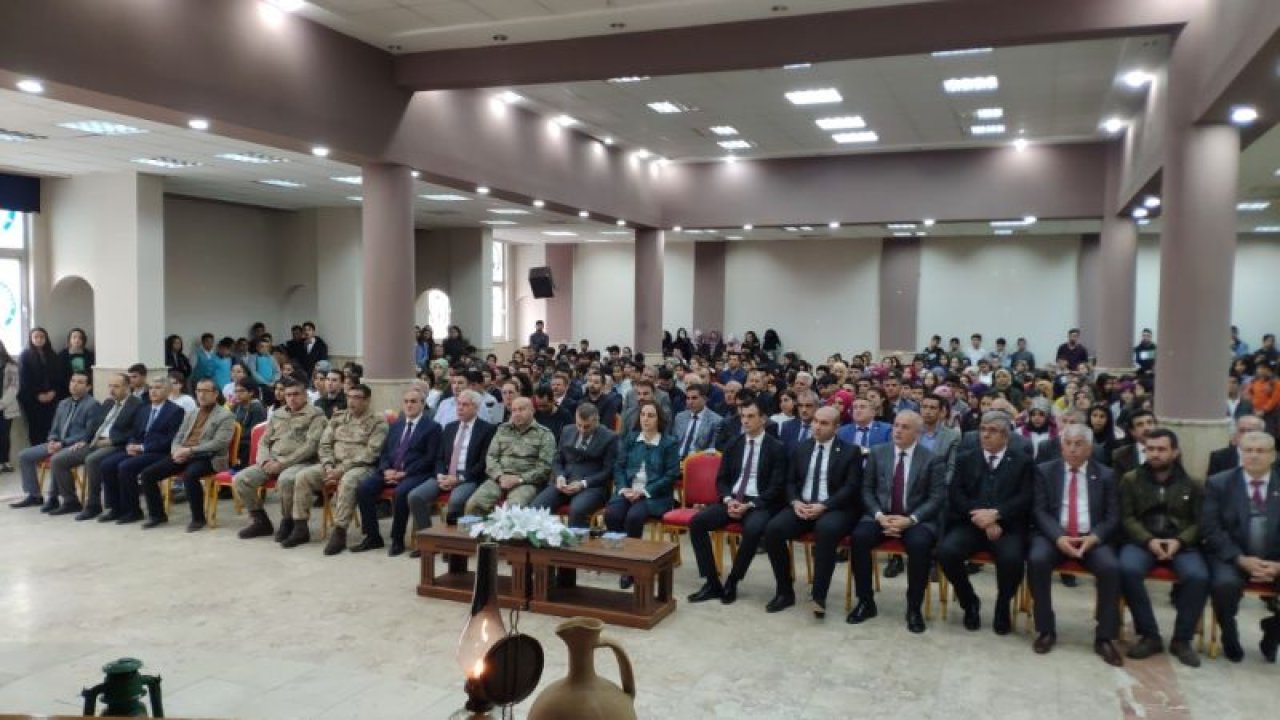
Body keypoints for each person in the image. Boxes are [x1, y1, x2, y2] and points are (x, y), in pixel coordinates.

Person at [1026, 424, 1123, 665]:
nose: (1073, 449)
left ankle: (1104, 637)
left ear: (1090, 448)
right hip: (1054, 536)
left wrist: (1094, 537)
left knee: (1110, 568)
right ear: (1061, 446)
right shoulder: (1045, 471)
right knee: (1037, 561)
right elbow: (1039, 511)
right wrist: (1059, 537)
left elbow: (1113, 517)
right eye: (1068, 443)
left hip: (1092, 538)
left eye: (1079, 444)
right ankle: (1046, 629)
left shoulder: (1106, 475)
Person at [938, 411, 1035, 635]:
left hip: (1007, 526)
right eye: (983, 429)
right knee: (946, 551)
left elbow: (1026, 497)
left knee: (1012, 559)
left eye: (992, 431)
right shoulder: (966, 458)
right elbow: (956, 493)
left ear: (1005, 436)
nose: (985, 435)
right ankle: (969, 601)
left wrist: (997, 515)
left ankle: (1003, 605)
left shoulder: (1022, 462)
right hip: (970, 522)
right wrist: (980, 516)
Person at [1118, 428, 1208, 667]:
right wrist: (1149, 540)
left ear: (1175, 452)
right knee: (1127, 570)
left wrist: (1180, 541)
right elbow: (1127, 518)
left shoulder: (1193, 483)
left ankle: (1182, 639)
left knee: (1198, 576)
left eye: (1161, 449)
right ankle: (1149, 635)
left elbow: (1200, 522)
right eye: (1150, 449)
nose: (1155, 454)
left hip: (1181, 543)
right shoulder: (1130, 479)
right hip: (1142, 542)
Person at [850, 410, 945, 631]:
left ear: (918, 433)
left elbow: (937, 497)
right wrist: (879, 516)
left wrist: (910, 520)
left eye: (905, 427)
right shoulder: (877, 452)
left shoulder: (931, 459)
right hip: (880, 516)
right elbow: (866, 489)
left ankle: (914, 607)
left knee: (920, 545)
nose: (898, 431)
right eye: (896, 426)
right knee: (859, 538)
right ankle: (865, 601)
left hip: (915, 519)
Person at [761, 406, 859, 617]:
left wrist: (824, 505)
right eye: (815, 421)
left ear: (836, 427)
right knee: (773, 530)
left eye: (824, 423)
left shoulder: (850, 451)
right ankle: (785, 591)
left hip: (834, 508)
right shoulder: (801, 448)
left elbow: (850, 487)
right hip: (803, 505)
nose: (817, 426)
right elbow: (790, 481)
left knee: (825, 531)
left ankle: (818, 596)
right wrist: (795, 502)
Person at [687, 398, 786, 606]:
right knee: (697, 522)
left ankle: (733, 580)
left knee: (753, 530)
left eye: (751, 416)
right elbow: (722, 479)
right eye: (743, 416)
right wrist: (728, 499)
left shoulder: (776, 447)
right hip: (732, 498)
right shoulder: (734, 443)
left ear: (763, 419)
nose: (745, 421)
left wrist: (750, 505)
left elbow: (777, 487)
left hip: (759, 503)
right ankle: (712, 582)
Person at [1202, 430, 1280, 663]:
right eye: (1248, 451)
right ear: (1240, 453)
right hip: (1232, 556)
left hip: (1275, 558)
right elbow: (1210, 528)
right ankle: (1229, 631)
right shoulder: (1219, 483)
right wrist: (1240, 559)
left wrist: (1278, 566)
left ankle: (1274, 630)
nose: (1254, 456)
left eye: (1261, 451)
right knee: (1224, 584)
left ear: (1273, 456)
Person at [283, 383, 388, 555]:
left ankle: (339, 532)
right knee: (303, 476)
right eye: (349, 397)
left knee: (348, 481)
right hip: (333, 464)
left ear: (367, 400)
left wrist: (341, 469)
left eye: (357, 398)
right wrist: (328, 465)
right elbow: (324, 444)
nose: (351, 401)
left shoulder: (378, 422)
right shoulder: (338, 417)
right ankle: (300, 527)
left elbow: (372, 453)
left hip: (362, 467)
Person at [232, 377, 327, 540]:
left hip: (302, 462)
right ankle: (260, 520)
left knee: (286, 479)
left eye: (296, 394)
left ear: (305, 395)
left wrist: (282, 464)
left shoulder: (316, 415)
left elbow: (310, 447)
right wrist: (265, 461)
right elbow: (264, 441)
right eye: (288, 394)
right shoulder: (278, 414)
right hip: (272, 461)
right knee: (241, 479)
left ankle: (288, 521)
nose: (291, 398)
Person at [136, 379, 236, 530]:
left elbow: (219, 443)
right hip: (184, 454)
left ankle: (198, 519)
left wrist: (190, 451)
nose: (201, 395)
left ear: (215, 394)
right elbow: (179, 436)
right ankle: (157, 515)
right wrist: (176, 451)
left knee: (190, 475)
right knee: (148, 474)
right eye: (198, 391)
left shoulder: (225, 416)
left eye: (205, 391)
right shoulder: (192, 412)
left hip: (209, 457)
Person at [352, 388, 441, 556]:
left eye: (413, 401)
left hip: (416, 473)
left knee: (400, 493)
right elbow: (385, 452)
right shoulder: (396, 426)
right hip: (390, 470)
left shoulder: (432, 427)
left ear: (423, 404)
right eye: (406, 401)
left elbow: (430, 458)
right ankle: (373, 537)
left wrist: (404, 473)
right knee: (363, 489)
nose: (409, 405)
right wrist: (386, 469)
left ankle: (397, 539)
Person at [407, 390, 496, 544]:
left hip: (468, 477)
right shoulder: (450, 427)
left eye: (465, 405)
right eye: (458, 404)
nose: (459, 408)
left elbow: (483, 463)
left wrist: (459, 478)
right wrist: (440, 474)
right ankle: (429, 540)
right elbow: (440, 457)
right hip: (446, 474)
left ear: (475, 407)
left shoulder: (487, 430)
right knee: (416, 496)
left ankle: (453, 545)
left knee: (455, 501)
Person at [605, 400, 678, 587]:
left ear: (659, 419)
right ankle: (621, 558)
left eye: (651, 415)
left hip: (654, 494)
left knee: (633, 518)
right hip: (629, 490)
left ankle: (632, 568)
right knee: (612, 514)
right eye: (643, 415)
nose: (646, 419)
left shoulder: (668, 443)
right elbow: (619, 466)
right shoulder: (631, 438)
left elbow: (671, 475)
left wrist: (644, 491)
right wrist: (623, 488)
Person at [97, 378, 184, 524]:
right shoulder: (144, 409)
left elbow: (171, 440)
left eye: (158, 388)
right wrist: (131, 444)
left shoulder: (175, 411)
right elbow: (134, 432)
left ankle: (134, 511)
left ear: (168, 391)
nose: (153, 391)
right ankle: (116, 508)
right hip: (139, 449)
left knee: (126, 467)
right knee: (107, 464)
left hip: (159, 452)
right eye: (151, 388)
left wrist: (143, 448)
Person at [11, 370, 99, 510]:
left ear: (88, 387)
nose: (74, 385)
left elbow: (88, 433)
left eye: (80, 382)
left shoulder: (92, 405)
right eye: (73, 381)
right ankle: (34, 495)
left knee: (57, 458)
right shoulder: (63, 403)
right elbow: (54, 428)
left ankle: (53, 498)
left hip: (76, 445)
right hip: (58, 442)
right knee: (25, 456)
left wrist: (62, 444)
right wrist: (52, 440)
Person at [464, 396, 556, 516]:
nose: (517, 413)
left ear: (532, 411)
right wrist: (500, 477)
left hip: (526, 482)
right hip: (499, 479)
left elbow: (544, 468)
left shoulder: (545, 434)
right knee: (474, 504)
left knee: (514, 511)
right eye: (514, 410)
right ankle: (478, 534)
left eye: (521, 409)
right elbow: (491, 457)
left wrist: (518, 479)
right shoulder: (502, 429)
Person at [533, 402, 618, 529]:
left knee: (577, 510)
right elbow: (557, 459)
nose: (582, 430)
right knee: (536, 506)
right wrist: (560, 476)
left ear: (597, 422)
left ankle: (576, 546)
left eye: (587, 426)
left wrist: (583, 483)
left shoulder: (609, 438)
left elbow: (608, 471)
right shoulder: (567, 430)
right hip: (564, 482)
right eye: (579, 425)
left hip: (591, 487)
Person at [70, 373, 143, 520]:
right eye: (110, 386)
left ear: (128, 387)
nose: (111, 390)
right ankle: (68, 501)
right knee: (60, 458)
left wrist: (112, 440)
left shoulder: (137, 405)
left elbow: (135, 431)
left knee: (92, 460)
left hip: (115, 444)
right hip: (95, 442)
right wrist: (85, 440)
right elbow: (95, 424)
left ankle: (94, 505)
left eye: (116, 386)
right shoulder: (108, 403)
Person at [18, 327, 65, 446]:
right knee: (35, 428)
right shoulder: (25, 355)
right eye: (36, 337)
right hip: (32, 400)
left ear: (46, 338)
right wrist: (37, 395)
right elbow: (24, 380)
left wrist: (53, 392)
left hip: (52, 398)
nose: (39, 339)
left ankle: (47, 457)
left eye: (41, 337)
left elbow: (59, 376)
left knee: (50, 427)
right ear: (31, 339)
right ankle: (36, 455)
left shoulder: (52, 355)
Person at [670, 382, 722, 460]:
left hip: (697, 461)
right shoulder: (680, 417)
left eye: (694, 398)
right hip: (675, 460)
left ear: (704, 399)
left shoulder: (716, 420)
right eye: (688, 398)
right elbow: (672, 441)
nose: (690, 402)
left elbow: (712, 450)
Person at [229, 381, 267, 468]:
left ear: (251, 392)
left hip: (247, 441)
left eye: (241, 391)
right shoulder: (236, 406)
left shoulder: (257, 407)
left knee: (245, 445)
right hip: (236, 438)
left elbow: (254, 431)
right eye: (236, 391)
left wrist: (235, 437)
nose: (238, 394)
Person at [1112, 409, 1157, 476]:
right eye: (1140, 425)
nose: (1146, 428)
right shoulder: (1120, 455)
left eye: (1149, 423)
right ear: (1132, 431)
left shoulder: (1169, 451)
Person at [59, 328, 95, 394]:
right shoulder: (63, 355)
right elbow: (60, 374)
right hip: (66, 389)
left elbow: (91, 373)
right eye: (74, 337)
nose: (77, 340)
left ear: (83, 340)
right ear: (69, 339)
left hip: (85, 388)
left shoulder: (89, 355)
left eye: (80, 338)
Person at [0, 339, 17, 473]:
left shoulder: (11, 365)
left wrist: (2, 403)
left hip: (6, 406)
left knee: (4, 434)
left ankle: (5, 461)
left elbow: (14, 386)